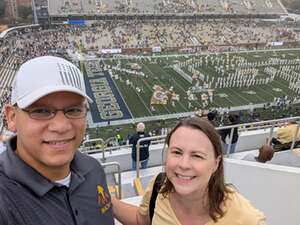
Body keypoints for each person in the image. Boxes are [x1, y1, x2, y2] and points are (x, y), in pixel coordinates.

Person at [0, 56, 114, 225]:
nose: (61, 126)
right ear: (12, 117)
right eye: (41, 111)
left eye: (74, 110)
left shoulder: (93, 169)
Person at [112, 117, 266, 225]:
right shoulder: (159, 185)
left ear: (216, 163)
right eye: (177, 152)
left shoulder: (247, 219)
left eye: (197, 155)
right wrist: (103, 197)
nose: (184, 164)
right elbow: (141, 221)